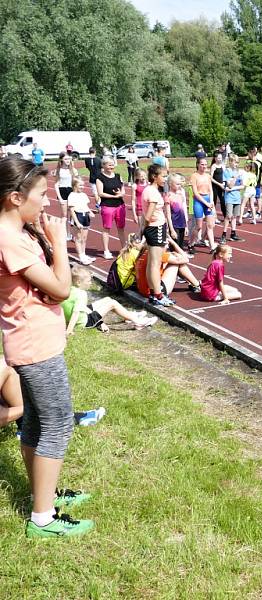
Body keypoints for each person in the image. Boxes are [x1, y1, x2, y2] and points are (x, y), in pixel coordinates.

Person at [0, 156, 95, 537]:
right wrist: (57, 243)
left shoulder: (15, 233)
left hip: (30, 342)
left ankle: (45, 492)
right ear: (14, 197)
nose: (47, 201)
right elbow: (61, 288)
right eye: (41, 194)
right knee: (57, 424)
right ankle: (43, 518)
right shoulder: (10, 241)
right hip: (36, 346)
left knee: (36, 425)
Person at [63, 266, 157, 334]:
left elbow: (77, 308)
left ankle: (129, 315)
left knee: (107, 299)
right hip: (86, 322)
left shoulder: (70, 289)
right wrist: (69, 331)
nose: (91, 283)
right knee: (112, 303)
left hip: (83, 316)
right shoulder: (81, 294)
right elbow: (75, 312)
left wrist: (100, 322)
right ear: (79, 282)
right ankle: (138, 322)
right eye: (88, 281)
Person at [142, 163, 173, 306]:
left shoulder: (148, 190)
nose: (165, 179)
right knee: (155, 263)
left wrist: (143, 230)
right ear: (155, 177)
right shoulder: (153, 193)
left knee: (151, 263)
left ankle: (153, 292)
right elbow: (148, 216)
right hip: (156, 228)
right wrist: (144, 230)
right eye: (164, 176)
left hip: (152, 229)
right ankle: (158, 296)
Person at [95, 156, 126, 259]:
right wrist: (114, 196)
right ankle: (106, 250)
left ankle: (124, 249)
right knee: (106, 228)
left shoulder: (118, 176)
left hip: (120, 205)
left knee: (121, 228)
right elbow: (100, 193)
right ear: (103, 165)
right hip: (107, 206)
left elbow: (123, 190)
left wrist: (120, 194)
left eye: (112, 164)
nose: (111, 166)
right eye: (109, 164)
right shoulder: (100, 178)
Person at [67, 178, 95, 265]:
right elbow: (72, 210)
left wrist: (90, 212)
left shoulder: (83, 195)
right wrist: (77, 222)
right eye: (80, 185)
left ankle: (84, 254)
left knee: (84, 238)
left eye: (83, 185)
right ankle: (81, 256)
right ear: (75, 186)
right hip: (78, 216)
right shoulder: (71, 195)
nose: (82, 187)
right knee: (78, 238)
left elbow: (86, 206)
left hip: (85, 216)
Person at [189, 158, 215, 250]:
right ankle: (191, 243)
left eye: (205, 164)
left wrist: (211, 202)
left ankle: (212, 247)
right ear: (198, 165)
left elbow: (211, 190)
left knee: (210, 225)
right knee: (199, 226)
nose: (204, 166)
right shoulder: (194, 176)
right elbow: (195, 194)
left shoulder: (208, 176)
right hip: (199, 201)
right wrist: (206, 203)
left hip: (208, 199)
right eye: (202, 164)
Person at [221, 155, 244, 243]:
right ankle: (224, 234)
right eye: (234, 162)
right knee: (228, 216)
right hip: (229, 198)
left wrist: (233, 188)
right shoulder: (227, 171)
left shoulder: (239, 172)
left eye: (237, 162)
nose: (236, 164)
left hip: (237, 197)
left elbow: (242, 185)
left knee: (234, 216)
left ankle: (233, 234)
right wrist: (235, 177)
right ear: (230, 162)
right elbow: (229, 185)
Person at [166, 173, 189, 252]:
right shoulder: (168, 196)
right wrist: (171, 230)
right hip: (175, 225)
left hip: (182, 224)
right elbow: (168, 215)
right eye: (177, 184)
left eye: (180, 184)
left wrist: (186, 226)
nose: (179, 186)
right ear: (170, 184)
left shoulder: (180, 195)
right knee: (174, 250)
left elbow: (183, 211)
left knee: (180, 249)